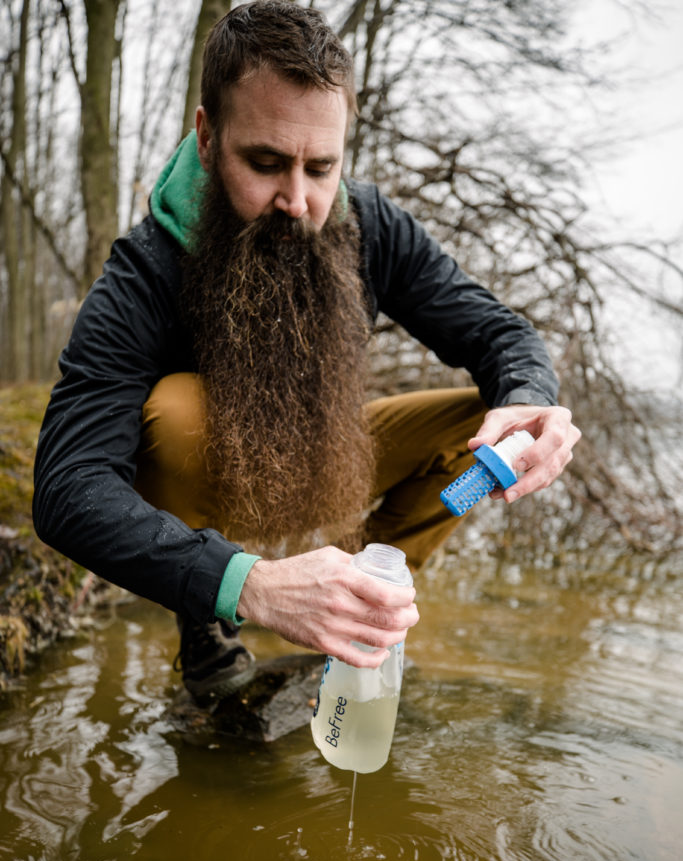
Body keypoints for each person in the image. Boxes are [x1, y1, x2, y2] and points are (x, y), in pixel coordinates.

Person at [33, 0, 580, 705]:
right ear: (206, 138)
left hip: (323, 455)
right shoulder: (146, 269)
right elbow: (67, 488)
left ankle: (364, 593)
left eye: (320, 167)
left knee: (486, 417)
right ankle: (206, 623)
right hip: (209, 489)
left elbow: (499, 334)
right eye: (264, 163)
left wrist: (532, 396)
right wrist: (249, 583)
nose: (296, 199)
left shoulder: (372, 225)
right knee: (171, 412)